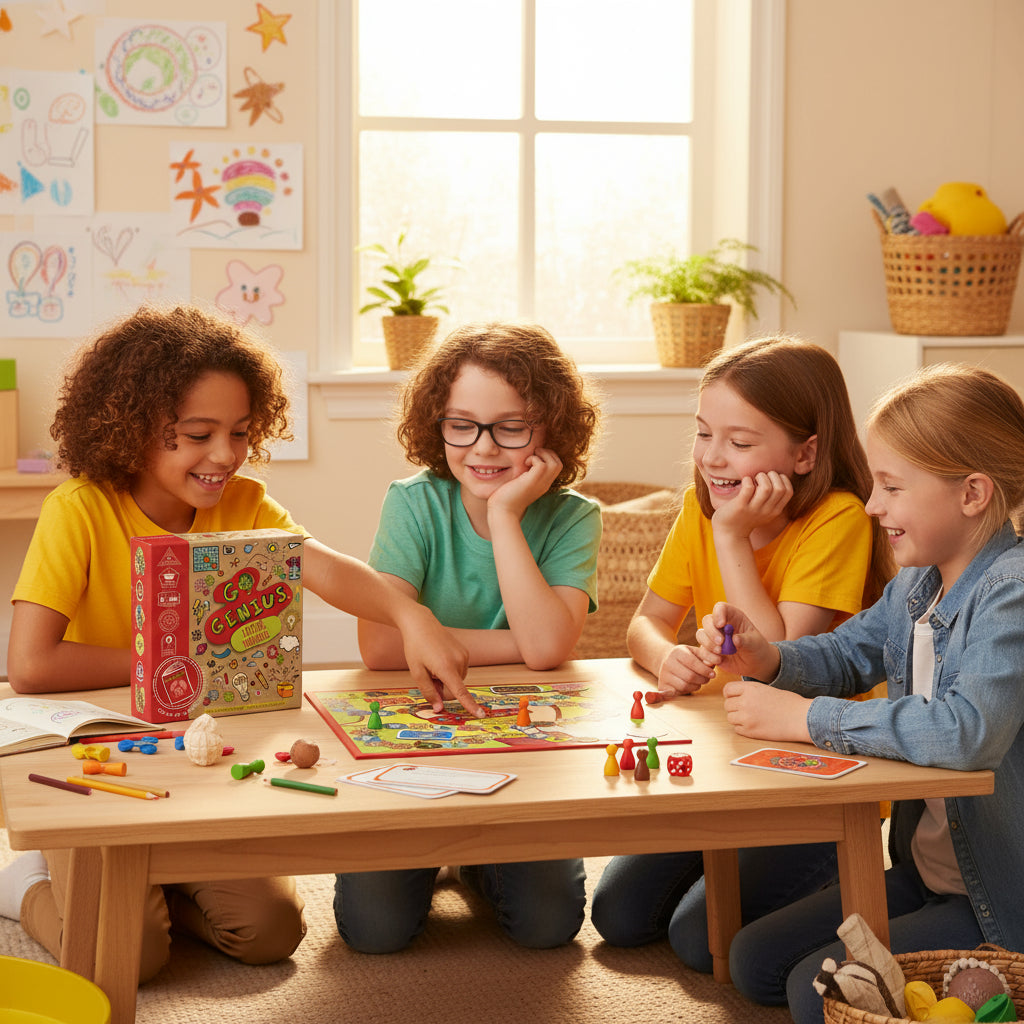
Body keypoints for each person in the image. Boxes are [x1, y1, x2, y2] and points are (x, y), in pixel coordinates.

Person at [2, 303, 473, 983]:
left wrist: (411, 616)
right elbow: (31, 665)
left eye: (241, 432)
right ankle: (24, 886)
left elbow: (326, 567)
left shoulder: (244, 504)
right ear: (132, 430)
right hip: (101, 760)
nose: (223, 454)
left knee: (269, 934)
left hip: (198, 760)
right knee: (127, 957)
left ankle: (153, 896)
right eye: (197, 434)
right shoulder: (80, 508)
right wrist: (177, 666)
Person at [695, 362, 1024, 1024]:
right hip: (927, 872)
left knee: (811, 998)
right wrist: (768, 654)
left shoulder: (1011, 594)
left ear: (973, 494)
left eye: (892, 487)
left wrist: (805, 719)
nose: (873, 506)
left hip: (998, 894)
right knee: (752, 960)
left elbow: (965, 732)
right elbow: (847, 653)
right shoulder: (918, 582)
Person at [592, 336, 893, 972]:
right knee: (618, 916)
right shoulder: (699, 506)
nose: (712, 458)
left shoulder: (837, 518)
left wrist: (730, 533)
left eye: (740, 441)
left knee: (697, 938)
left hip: (809, 769)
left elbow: (779, 656)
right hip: (726, 754)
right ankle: (733, 858)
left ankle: (829, 870)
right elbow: (646, 622)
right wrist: (664, 657)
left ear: (805, 451)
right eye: (704, 434)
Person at [335, 320, 602, 953]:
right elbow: (377, 648)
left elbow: (546, 652)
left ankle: (476, 859)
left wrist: (506, 515)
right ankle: (441, 852)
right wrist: (525, 643)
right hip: (413, 743)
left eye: (510, 427)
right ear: (439, 423)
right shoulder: (414, 502)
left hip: (523, 750)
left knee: (548, 927)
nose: (483, 448)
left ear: (551, 432)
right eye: (463, 425)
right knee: (373, 931)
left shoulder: (573, 517)